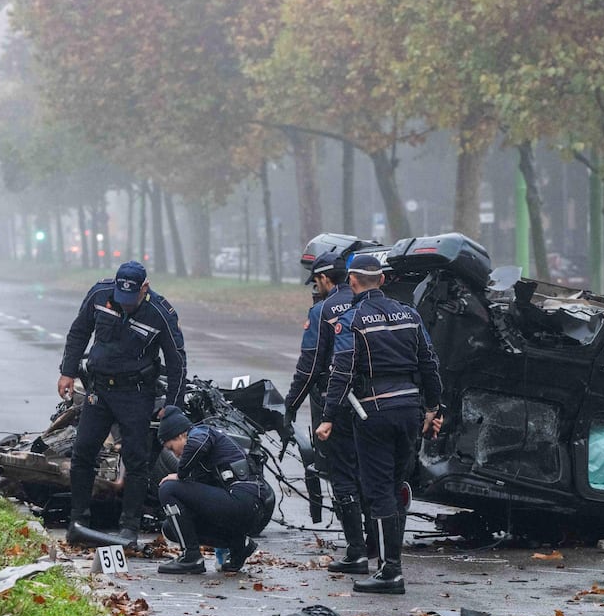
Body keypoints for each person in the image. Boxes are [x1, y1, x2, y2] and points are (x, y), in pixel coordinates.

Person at [316, 253, 442, 594]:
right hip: (410, 412)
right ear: (383, 280)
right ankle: (391, 564)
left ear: (352, 282)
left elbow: (341, 371)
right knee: (398, 484)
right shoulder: (410, 314)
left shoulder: (354, 319)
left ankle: (390, 572)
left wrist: (327, 417)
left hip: (373, 413)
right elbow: (429, 363)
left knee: (379, 491)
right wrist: (434, 408)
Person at [58, 260, 186, 548]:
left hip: (136, 393)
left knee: (136, 459)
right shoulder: (100, 295)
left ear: (145, 288)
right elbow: (79, 332)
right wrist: (67, 371)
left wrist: (174, 406)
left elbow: (176, 361)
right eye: (121, 298)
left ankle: (129, 526)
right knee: (83, 451)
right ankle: (78, 520)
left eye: (132, 299)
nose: (125, 304)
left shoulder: (160, 313)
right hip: (99, 389)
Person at [285, 252, 372, 574]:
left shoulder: (323, 311)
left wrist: (290, 405)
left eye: (316, 282)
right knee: (372, 474)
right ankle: (377, 545)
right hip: (377, 402)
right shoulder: (376, 306)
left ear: (324, 279)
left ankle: (356, 552)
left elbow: (309, 367)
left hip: (337, 404)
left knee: (343, 475)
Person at [155, 408, 265, 574]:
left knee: (168, 488)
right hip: (242, 510)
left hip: (245, 500)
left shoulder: (201, 432)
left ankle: (191, 557)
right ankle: (239, 545)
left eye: (171, 448)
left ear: (180, 435)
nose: (174, 454)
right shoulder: (201, 461)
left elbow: (198, 443)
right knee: (171, 527)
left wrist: (180, 474)